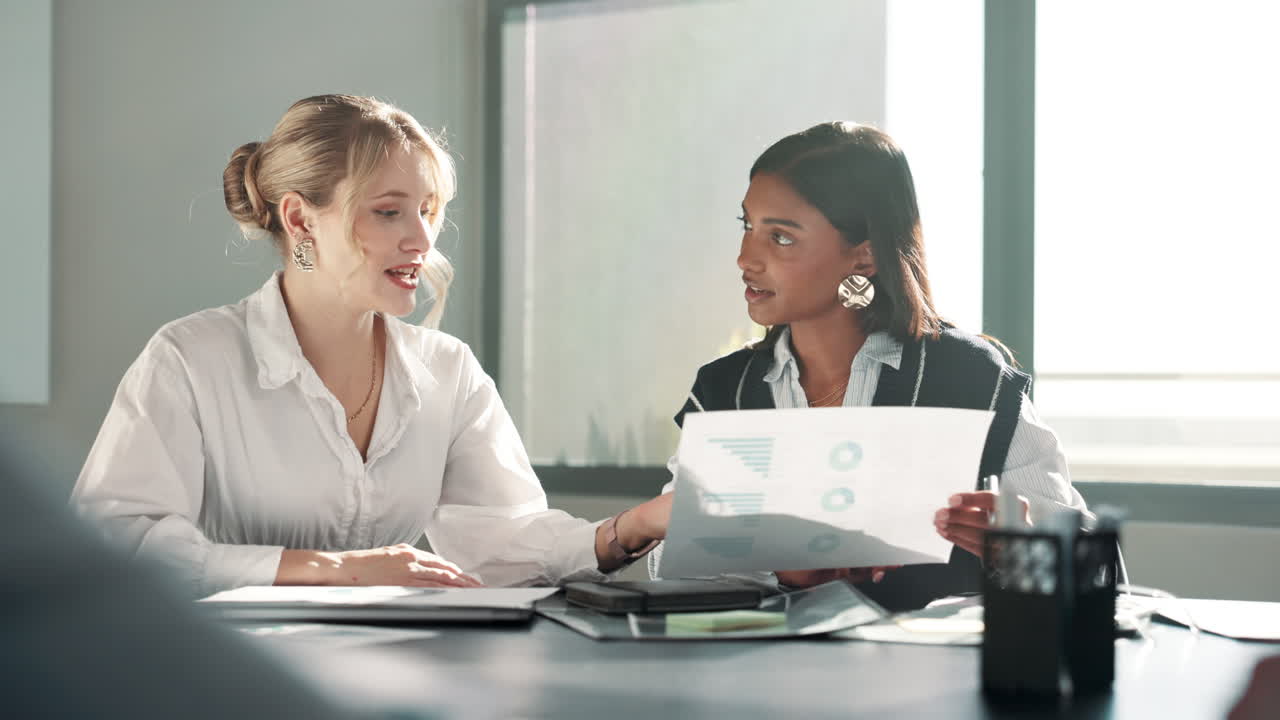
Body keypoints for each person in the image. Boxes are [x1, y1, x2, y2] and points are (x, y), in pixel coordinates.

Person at [72, 94, 669, 598]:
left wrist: (631, 528)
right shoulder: (190, 358)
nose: (422, 238)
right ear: (302, 222)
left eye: (429, 211)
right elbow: (118, 542)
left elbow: (505, 541)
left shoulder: (448, 370)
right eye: (389, 212)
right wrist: (334, 570)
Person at [649, 122, 1089, 611]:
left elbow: (1093, 569)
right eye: (747, 226)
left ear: (865, 255)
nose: (745, 258)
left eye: (782, 238)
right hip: (766, 677)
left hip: (935, 679)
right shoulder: (722, 391)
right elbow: (669, 561)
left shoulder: (972, 378)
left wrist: (1020, 545)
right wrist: (778, 566)